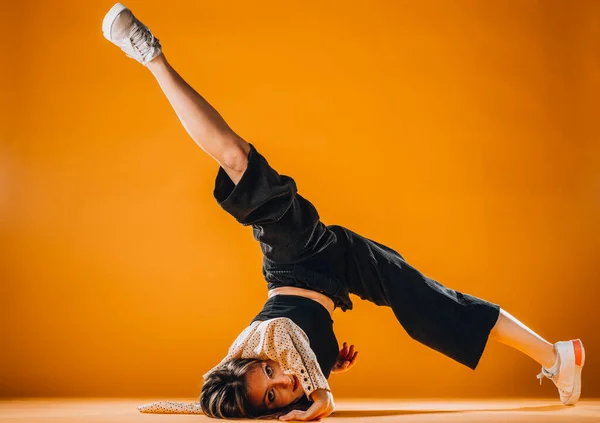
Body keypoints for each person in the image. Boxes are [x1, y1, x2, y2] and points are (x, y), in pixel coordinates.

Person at [101, 3, 586, 421]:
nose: (283, 380)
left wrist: (322, 390)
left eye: (269, 371)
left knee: (237, 163)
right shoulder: (298, 375)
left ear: (252, 355)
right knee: (430, 307)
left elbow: (284, 338)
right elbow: (290, 367)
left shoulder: (267, 337)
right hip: (339, 267)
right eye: (274, 396)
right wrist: (325, 364)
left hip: (297, 256)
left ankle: (150, 55)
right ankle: (557, 355)